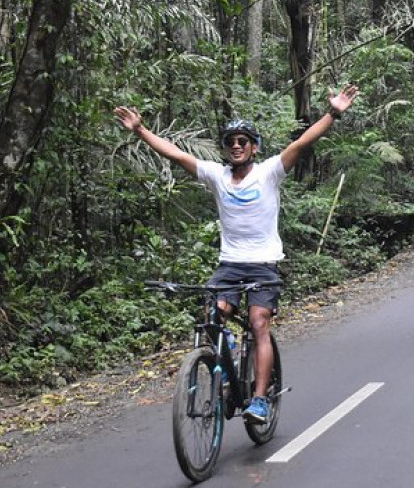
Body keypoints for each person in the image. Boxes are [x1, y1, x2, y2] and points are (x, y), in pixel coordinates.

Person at [114, 84, 360, 423]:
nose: (235, 146)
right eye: (230, 142)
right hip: (229, 265)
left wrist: (333, 112)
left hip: (262, 266)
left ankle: (259, 399)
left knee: (259, 323)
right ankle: (227, 365)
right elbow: (175, 154)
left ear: (253, 147)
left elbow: (303, 142)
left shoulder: (269, 172)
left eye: (242, 141)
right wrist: (140, 130)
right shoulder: (217, 176)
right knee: (212, 317)